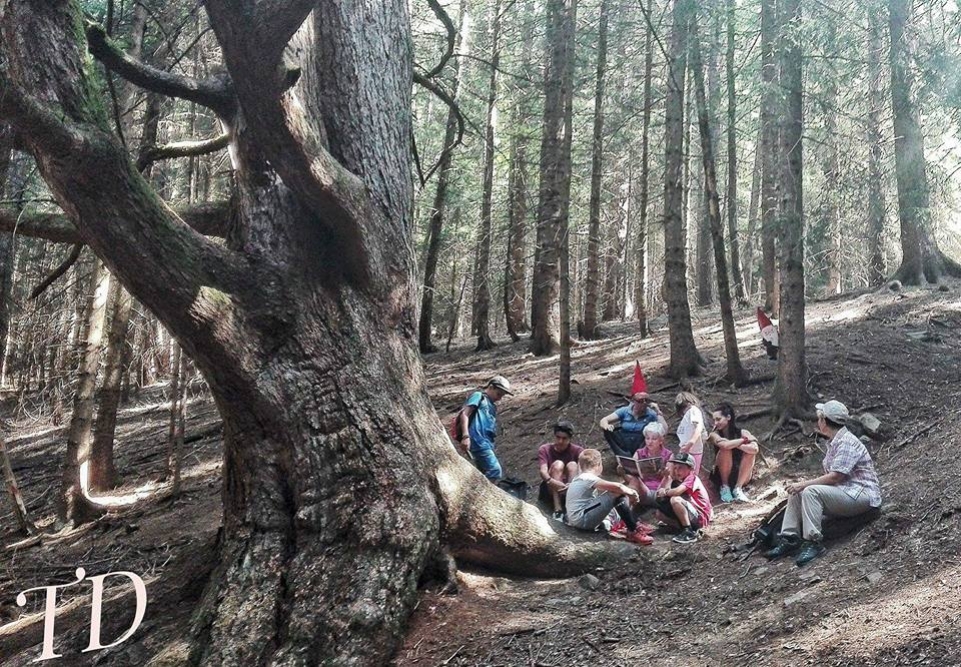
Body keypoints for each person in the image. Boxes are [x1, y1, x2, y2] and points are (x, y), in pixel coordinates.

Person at [765, 400, 882, 566]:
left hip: (862, 495)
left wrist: (805, 484)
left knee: (809, 490)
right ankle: (789, 538)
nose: (817, 421)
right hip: (846, 492)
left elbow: (836, 477)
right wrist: (801, 486)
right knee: (797, 491)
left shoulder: (847, 442)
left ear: (825, 422)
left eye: (820, 418)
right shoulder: (835, 442)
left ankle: (813, 542)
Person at [566, 449, 653, 546]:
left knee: (615, 498)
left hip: (579, 518)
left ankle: (629, 524)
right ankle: (633, 530)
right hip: (582, 519)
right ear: (599, 465)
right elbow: (617, 487)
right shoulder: (587, 477)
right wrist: (632, 493)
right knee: (616, 493)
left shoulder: (580, 477)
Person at [458, 375, 513, 481]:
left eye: (502, 396)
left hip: (487, 443)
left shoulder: (492, 406)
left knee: (484, 474)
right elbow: (465, 414)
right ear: (491, 387)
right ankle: (475, 493)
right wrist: (465, 436)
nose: (499, 398)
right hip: (477, 441)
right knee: (495, 471)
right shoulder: (478, 396)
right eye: (498, 394)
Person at [654, 452, 713, 544]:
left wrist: (665, 492)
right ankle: (680, 528)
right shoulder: (677, 480)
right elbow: (659, 496)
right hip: (690, 513)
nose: (677, 471)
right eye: (675, 468)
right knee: (659, 513)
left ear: (690, 468)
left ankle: (689, 532)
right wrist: (667, 478)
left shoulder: (692, 478)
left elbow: (676, 492)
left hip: (700, 517)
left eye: (681, 468)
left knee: (675, 499)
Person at [708, 403, 759, 503]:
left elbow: (755, 449)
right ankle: (725, 487)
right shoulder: (714, 435)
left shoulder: (743, 432)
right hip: (721, 474)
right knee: (725, 450)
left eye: (718, 419)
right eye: (714, 420)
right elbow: (725, 446)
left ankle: (738, 489)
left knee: (750, 453)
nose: (715, 423)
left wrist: (737, 444)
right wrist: (743, 441)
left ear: (728, 417)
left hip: (741, 474)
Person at [537, 421, 584, 521]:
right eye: (558, 437)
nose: (560, 441)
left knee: (573, 465)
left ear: (570, 439)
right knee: (558, 464)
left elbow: (582, 471)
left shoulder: (578, 451)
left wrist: (572, 485)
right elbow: (543, 471)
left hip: (570, 486)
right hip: (551, 486)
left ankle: (571, 508)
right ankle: (558, 510)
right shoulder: (545, 449)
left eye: (564, 438)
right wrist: (552, 481)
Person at [599, 392, 669, 458]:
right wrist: (607, 426)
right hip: (624, 439)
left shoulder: (651, 414)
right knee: (608, 431)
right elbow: (604, 420)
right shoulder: (624, 411)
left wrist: (658, 412)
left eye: (646, 401)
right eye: (640, 401)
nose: (643, 404)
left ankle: (639, 457)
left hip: (641, 441)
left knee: (649, 435)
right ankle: (623, 457)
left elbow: (664, 430)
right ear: (634, 402)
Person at [624, 422, 673, 508]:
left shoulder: (668, 455)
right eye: (647, 438)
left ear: (661, 440)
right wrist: (623, 473)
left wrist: (666, 476)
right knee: (634, 479)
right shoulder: (639, 453)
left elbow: (670, 478)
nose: (650, 442)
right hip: (641, 489)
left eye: (654, 439)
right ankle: (626, 513)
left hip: (658, 490)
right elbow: (630, 477)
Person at [675, 392, 708, 475]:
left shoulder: (693, 410)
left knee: (691, 476)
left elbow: (698, 427)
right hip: (685, 450)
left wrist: (691, 442)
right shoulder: (687, 415)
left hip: (692, 451)